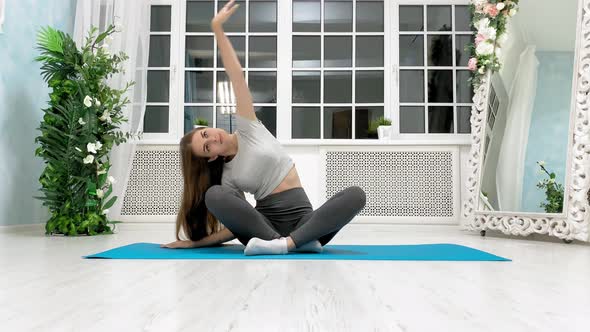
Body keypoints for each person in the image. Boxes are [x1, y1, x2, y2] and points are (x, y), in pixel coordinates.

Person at [161, 0, 366, 255]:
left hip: (305, 223)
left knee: (356, 195)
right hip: (263, 228)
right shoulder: (226, 176)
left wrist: (217, 29)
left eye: (205, 133)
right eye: (206, 147)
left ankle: (287, 244)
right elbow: (237, 223)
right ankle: (290, 244)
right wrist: (195, 243)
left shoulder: (248, 127)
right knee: (214, 195)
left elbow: (236, 77)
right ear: (211, 156)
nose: (211, 139)